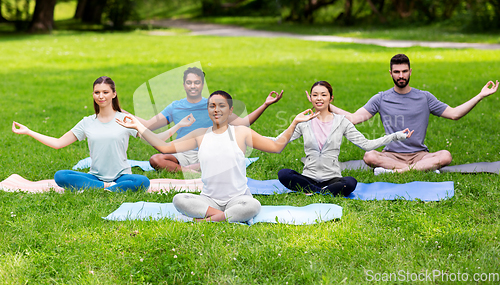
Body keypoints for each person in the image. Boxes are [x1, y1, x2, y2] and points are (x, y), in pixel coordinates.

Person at [116, 90, 318, 222]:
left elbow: (276, 147)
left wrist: (295, 123)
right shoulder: (200, 135)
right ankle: (221, 217)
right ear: (208, 110)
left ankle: (208, 221)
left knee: (253, 205)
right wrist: (137, 126)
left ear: (230, 110)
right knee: (179, 199)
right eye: (212, 106)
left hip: (238, 198)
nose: (216, 109)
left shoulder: (241, 133)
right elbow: (163, 147)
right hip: (208, 199)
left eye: (221, 105)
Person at [327, 54, 499, 174]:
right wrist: (327, 104)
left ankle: (397, 172)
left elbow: (454, 114)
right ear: (390, 73)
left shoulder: (425, 97)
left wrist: (480, 95)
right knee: (369, 156)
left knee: (445, 155)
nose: (401, 76)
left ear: (410, 71)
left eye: (404, 71)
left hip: (419, 155)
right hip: (391, 155)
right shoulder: (381, 98)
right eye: (396, 72)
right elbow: (354, 118)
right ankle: (411, 170)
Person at [11, 76, 190, 192]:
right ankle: (107, 187)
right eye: (97, 92)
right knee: (60, 176)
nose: (101, 96)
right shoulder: (87, 122)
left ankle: (102, 188)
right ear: (93, 95)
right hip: (95, 176)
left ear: (114, 94)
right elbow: (58, 143)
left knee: (142, 181)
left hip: (122, 176)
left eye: (105, 92)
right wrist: (29, 131)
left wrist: (178, 126)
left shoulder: (126, 119)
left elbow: (156, 140)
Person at [130, 67, 284, 172]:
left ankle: (193, 169)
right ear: (183, 85)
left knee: (223, 160)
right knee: (156, 159)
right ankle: (191, 171)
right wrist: (119, 112)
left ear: (202, 84)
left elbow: (243, 123)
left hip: (208, 152)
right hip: (181, 153)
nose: (193, 86)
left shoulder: (213, 105)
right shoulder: (174, 107)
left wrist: (265, 105)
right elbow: (149, 126)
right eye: (189, 82)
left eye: (197, 82)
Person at [278, 81, 413, 196]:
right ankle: (321, 191)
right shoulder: (303, 122)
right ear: (310, 98)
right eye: (315, 95)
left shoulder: (342, 122)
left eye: (323, 95)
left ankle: (314, 191)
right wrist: (256, 138)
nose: (319, 98)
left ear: (331, 99)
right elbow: (278, 141)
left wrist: (395, 136)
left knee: (350, 183)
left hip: (332, 179)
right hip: (308, 177)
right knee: (284, 174)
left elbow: (367, 144)